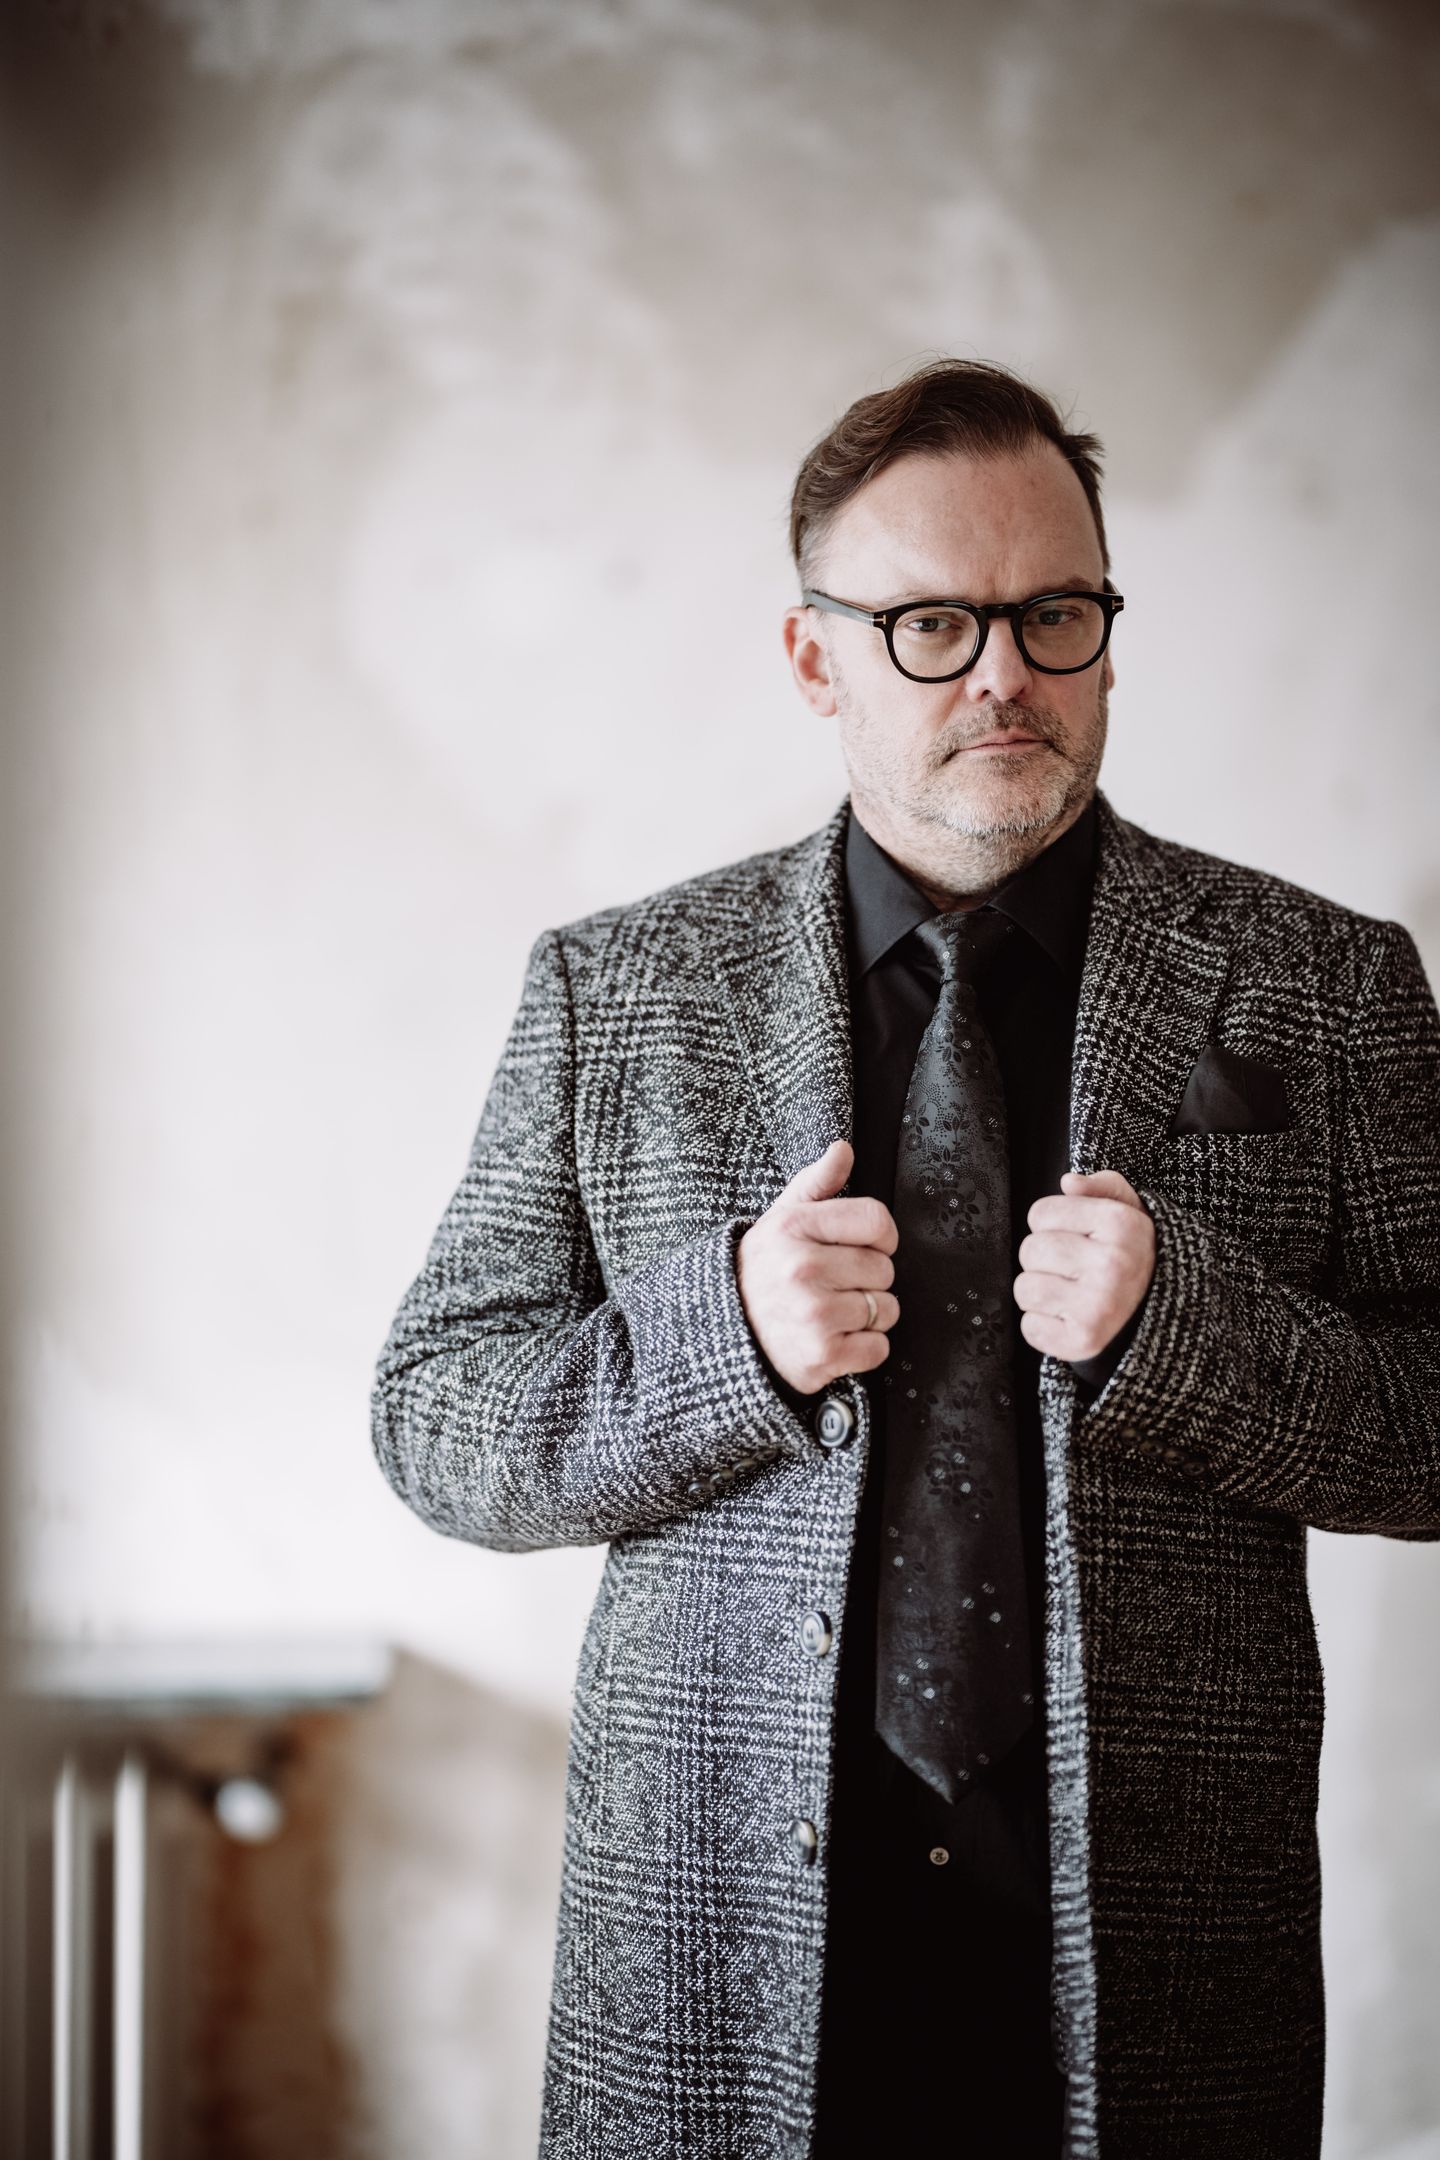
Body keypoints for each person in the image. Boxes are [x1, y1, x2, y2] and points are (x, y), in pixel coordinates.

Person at [370, 358, 1440, 2159]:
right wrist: (721, 1338)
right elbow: (436, 1420)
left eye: (1054, 614)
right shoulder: (614, 994)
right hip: (714, 1947)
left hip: (1159, 1959)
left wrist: (1186, 1332)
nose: (1004, 672)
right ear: (817, 660)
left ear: (1108, 636)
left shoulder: (1327, 986)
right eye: (932, 624)